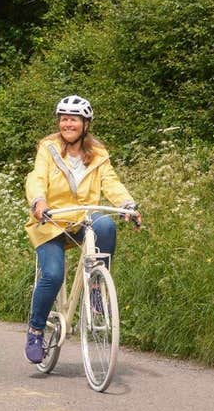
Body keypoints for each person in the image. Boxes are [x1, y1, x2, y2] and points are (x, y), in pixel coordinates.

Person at [24, 95, 141, 363]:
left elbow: (111, 183)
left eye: (73, 119)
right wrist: (39, 201)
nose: (67, 124)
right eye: (63, 119)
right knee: (53, 275)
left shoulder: (98, 154)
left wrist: (127, 205)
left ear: (85, 124)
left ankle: (96, 287)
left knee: (106, 224)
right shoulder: (48, 148)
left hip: (83, 220)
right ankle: (35, 330)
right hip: (51, 221)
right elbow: (37, 177)